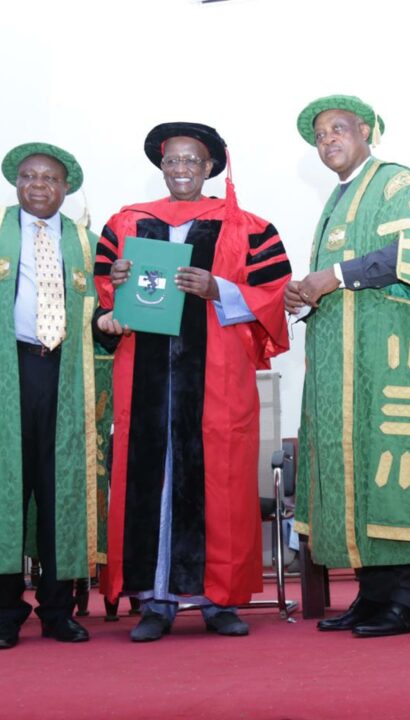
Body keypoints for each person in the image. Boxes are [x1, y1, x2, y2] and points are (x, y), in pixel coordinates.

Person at [94, 122, 290, 641]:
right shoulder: (127, 223)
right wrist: (113, 289)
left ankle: (217, 600)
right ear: (162, 166)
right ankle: (154, 599)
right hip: (145, 377)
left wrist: (218, 287)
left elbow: (274, 295)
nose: (182, 169)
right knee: (149, 480)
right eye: (173, 160)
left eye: (192, 161)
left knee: (219, 484)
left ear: (210, 167)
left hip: (218, 381)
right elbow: (105, 307)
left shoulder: (250, 228)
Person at [288, 95, 410, 638]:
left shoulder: (394, 182)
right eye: (319, 135)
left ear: (366, 132)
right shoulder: (340, 199)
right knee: (356, 476)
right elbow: (338, 277)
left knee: (399, 475)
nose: (328, 141)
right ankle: (374, 594)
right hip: (344, 371)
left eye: (338, 129)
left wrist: (331, 276)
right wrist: (309, 294)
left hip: (393, 363)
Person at [0, 142, 99, 649]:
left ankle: (56, 609)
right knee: (4, 489)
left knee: (59, 492)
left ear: (66, 187)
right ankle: (3, 611)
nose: (38, 186)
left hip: (66, 375)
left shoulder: (85, 241)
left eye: (49, 179)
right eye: (28, 177)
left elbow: (100, 317)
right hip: (1, 372)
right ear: (16, 183)